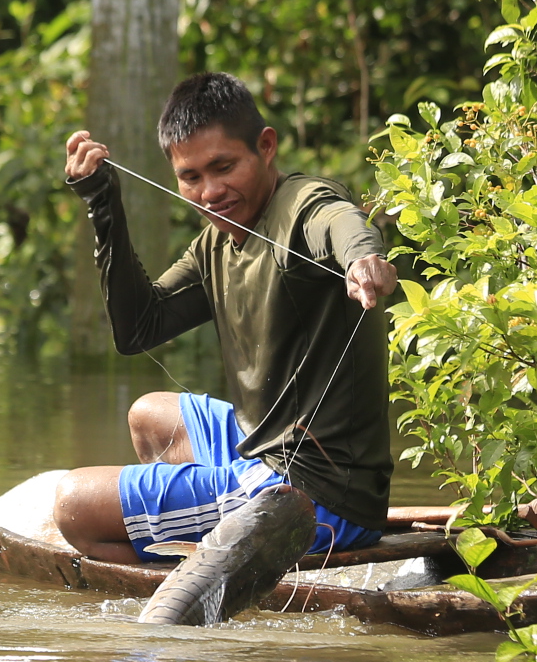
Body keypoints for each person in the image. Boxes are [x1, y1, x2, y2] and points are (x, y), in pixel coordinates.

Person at [53, 71, 398, 564]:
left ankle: (198, 589)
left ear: (265, 146)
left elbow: (339, 220)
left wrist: (363, 260)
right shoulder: (215, 243)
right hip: (265, 451)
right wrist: (102, 204)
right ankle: (208, 543)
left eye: (224, 167)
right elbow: (138, 331)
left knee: (74, 506)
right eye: (191, 177)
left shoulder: (301, 205)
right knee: (149, 415)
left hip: (315, 499)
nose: (210, 191)